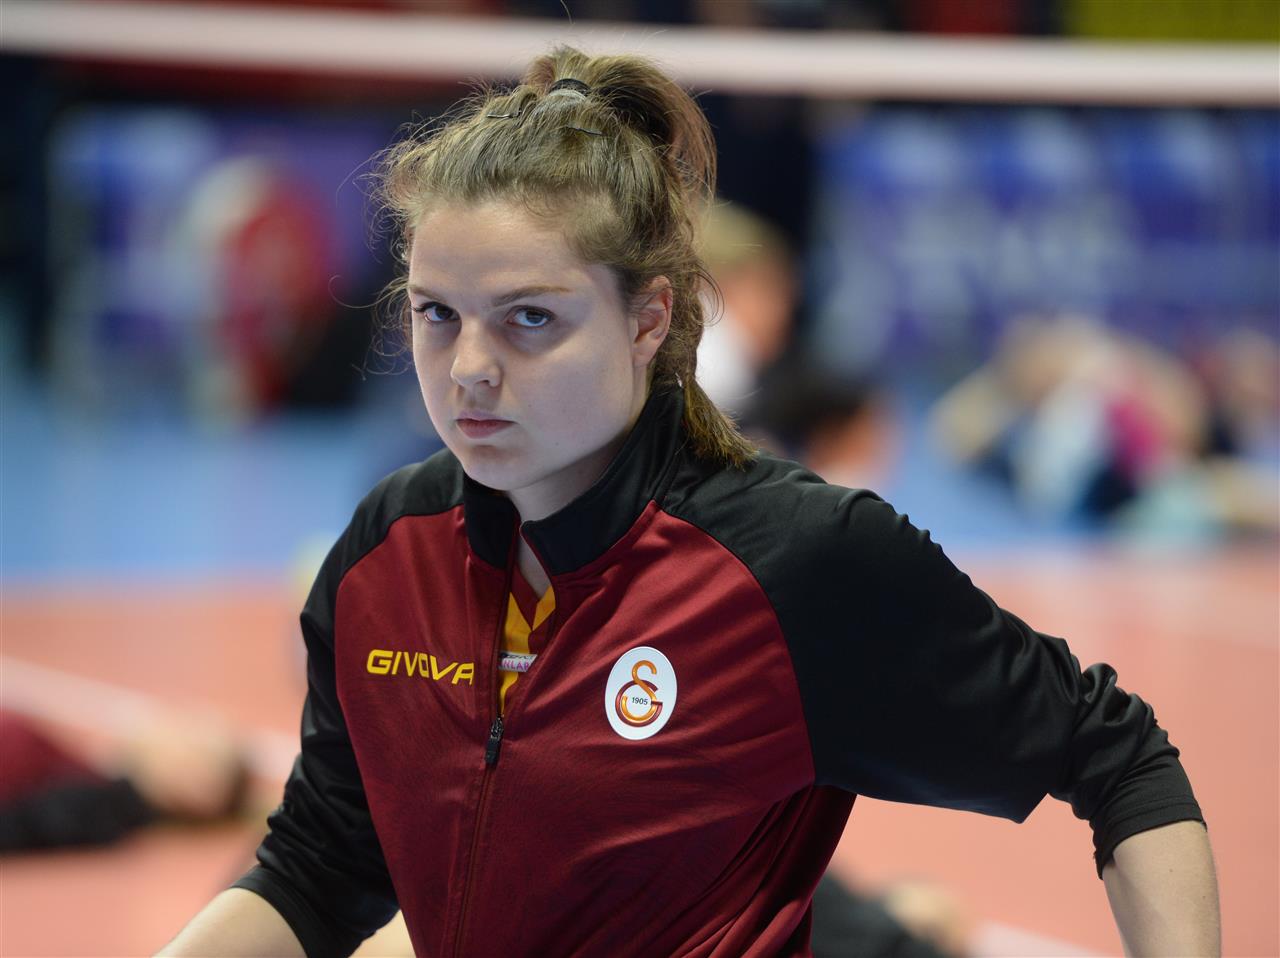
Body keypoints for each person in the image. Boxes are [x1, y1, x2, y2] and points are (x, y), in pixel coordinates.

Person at [159, 47, 1220, 957]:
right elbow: (318, 866)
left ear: (647, 320)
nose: (469, 366)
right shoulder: (384, 554)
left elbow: (1115, 755)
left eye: (529, 318)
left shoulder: (797, 561)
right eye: (438, 314)